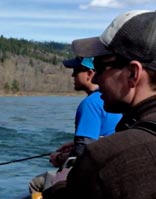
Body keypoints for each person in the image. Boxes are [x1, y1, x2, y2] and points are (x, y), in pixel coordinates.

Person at [43, 10, 156, 199]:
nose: (95, 77)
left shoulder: (105, 157)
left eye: (101, 66)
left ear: (133, 73)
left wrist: (58, 186)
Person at [29, 57, 122, 195]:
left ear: (90, 74)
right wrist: (74, 144)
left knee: (36, 184)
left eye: (76, 70)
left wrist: (59, 158)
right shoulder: (113, 98)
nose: (73, 75)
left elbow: (82, 153)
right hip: (114, 167)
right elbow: (104, 137)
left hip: (96, 172)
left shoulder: (90, 104)